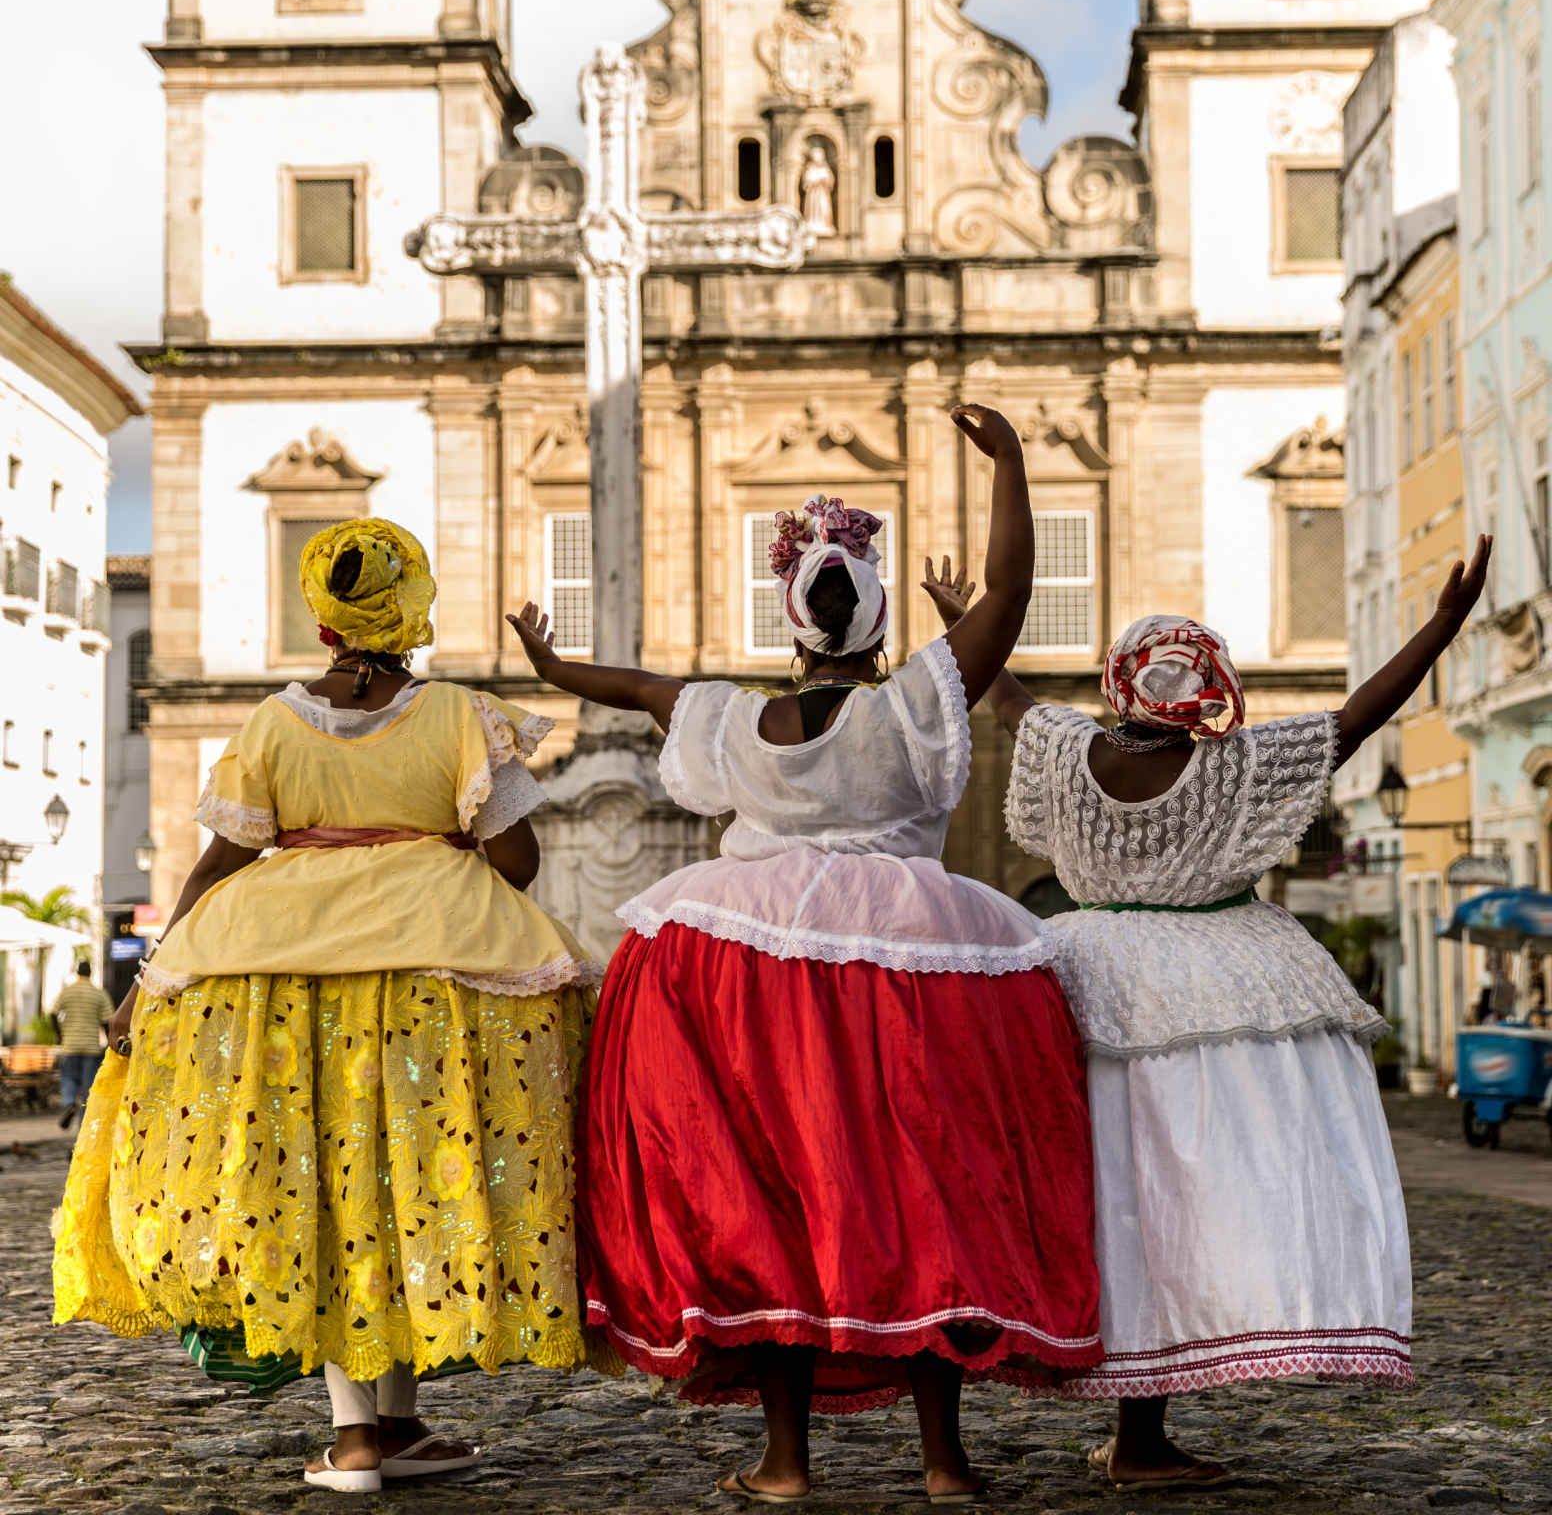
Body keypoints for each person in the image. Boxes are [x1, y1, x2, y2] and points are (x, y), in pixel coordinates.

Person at [509, 404, 1101, 1507]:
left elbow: (633, 688)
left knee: (773, 1197)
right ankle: (943, 1458)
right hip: (917, 967)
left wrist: (551, 660)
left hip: (744, 974)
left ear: (790, 625)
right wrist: (1010, 463)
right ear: (876, 625)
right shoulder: (913, 704)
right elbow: (1010, 599)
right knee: (927, 1192)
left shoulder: (730, 721)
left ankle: (784, 1461)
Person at [923, 536, 1493, 1490]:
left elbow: (1008, 701)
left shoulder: (1066, 752)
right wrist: (1439, 627)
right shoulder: (1242, 769)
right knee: (1195, 1194)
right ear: (1209, 691)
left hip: (1083, 979)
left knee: (1103, 1196)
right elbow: (1358, 715)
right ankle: (1145, 1431)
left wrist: (960, 620)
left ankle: (1117, 1420)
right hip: (1221, 984)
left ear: (1119, 686)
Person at [52, 518, 597, 1495]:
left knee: (326, 1187)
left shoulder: (272, 720)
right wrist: (431, 844)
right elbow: (516, 859)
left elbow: (219, 860)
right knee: (403, 1188)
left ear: (325, 617)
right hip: (437, 975)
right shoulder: (462, 715)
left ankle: (375, 1431)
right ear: (412, 603)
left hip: (280, 974)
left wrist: (151, 971)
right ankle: (378, 1430)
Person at [52, 960, 113, 1130]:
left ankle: (70, 1103)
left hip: (70, 1045)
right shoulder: (99, 993)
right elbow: (108, 1020)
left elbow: (52, 1013)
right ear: (90, 973)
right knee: (88, 1089)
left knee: (68, 1079)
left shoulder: (67, 991)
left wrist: (59, 1035)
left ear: (78, 972)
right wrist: (109, 1041)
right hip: (91, 1048)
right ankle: (83, 1127)